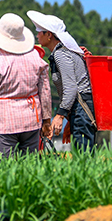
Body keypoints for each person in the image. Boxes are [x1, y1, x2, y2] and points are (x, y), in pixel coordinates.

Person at [0, 13, 52, 157]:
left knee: (5, 166)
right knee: (29, 165)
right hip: (31, 120)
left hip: (4, 123)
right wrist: (47, 119)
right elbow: (45, 91)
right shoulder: (35, 57)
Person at [27, 10, 96, 151]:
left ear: (49, 35)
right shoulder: (63, 52)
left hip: (81, 107)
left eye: (39, 32)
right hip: (80, 108)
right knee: (83, 154)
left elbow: (71, 88)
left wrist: (60, 116)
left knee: (84, 155)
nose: (37, 35)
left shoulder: (60, 54)